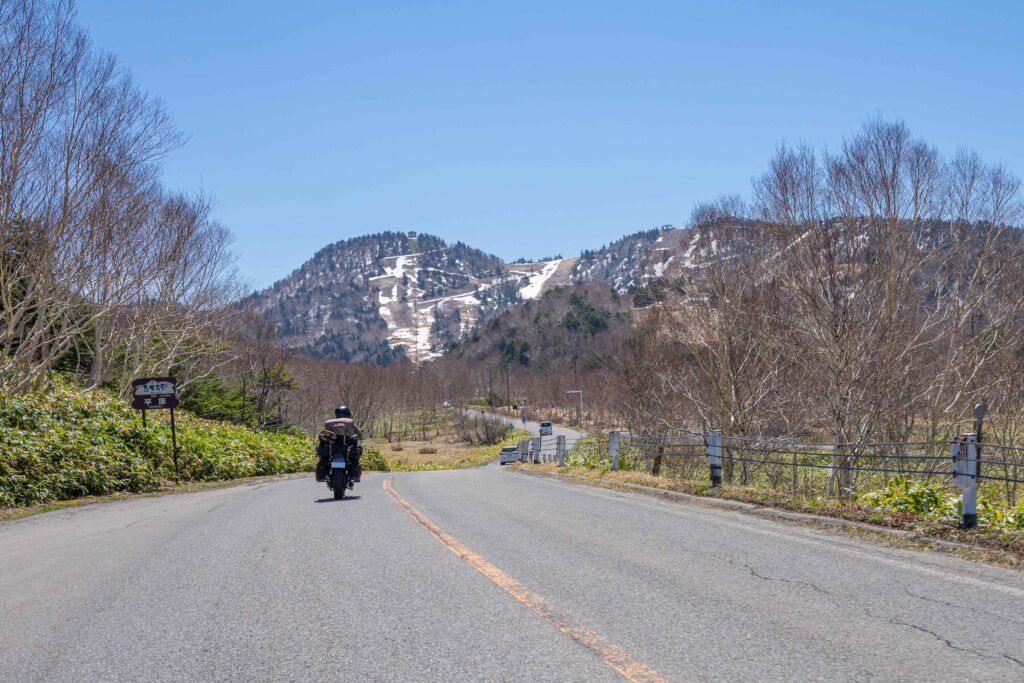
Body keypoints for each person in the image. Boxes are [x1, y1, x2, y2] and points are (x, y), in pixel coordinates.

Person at [318, 406, 364, 482]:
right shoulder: (350, 422)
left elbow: (321, 434)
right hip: (346, 450)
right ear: (348, 414)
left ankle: (322, 475)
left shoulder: (330, 422)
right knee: (354, 459)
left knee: (323, 458)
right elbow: (359, 435)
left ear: (337, 414)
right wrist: (360, 436)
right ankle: (355, 475)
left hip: (330, 450)